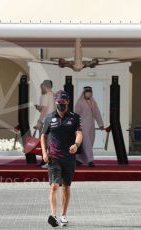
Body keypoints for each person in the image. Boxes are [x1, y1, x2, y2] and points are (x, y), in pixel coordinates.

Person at [41, 90, 83, 227]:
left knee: (66, 187)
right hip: (54, 157)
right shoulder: (49, 118)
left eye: (64, 102)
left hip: (69, 158)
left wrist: (76, 145)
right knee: (54, 186)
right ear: (55, 102)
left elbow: (79, 133)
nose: (61, 105)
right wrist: (44, 153)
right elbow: (43, 136)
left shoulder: (74, 117)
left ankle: (63, 215)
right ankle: (53, 214)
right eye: (59, 102)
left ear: (68, 102)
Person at [74, 86, 104, 167]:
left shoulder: (93, 102)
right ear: (84, 93)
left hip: (91, 126)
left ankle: (79, 160)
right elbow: (76, 115)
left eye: (90, 91)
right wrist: (76, 126)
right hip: (82, 126)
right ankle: (90, 160)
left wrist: (101, 124)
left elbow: (97, 113)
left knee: (89, 143)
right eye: (87, 91)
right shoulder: (79, 103)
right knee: (86, 143)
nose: (89, 93)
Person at [35, 80, 55, 167]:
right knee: (52, 142)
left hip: (46, 122)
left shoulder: (44, 96)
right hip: (54, 121)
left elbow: (44, 110)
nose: (40, 89)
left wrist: (39, 122)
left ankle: (46, 160)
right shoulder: (54, 96)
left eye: (41, 87)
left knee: (44, 142)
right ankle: (51, 160)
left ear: (44, 86)